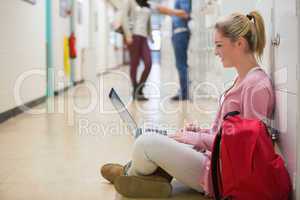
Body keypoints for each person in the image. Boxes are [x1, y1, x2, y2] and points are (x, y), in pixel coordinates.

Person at [100, 11, 275, 198]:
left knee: (144, 143)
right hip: (211, 156)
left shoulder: (256, 85)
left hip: (219, 173)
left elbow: (246, 150)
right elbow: (226, 133)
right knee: (148, 129)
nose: (215, 51)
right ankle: (150, 176)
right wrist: (199, 132)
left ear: (239, 43)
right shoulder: (242, 80)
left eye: (219, 45)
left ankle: (132, 173)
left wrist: (197, 139)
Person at [121, 0, 154, 101]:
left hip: (144, 37)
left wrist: (151, 36)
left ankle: (139, 88)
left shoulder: (148, 5)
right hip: (133, 36)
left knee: (148, 63)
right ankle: (136, 89)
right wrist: (127, 34)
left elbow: (148, 22)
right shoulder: (130, 2)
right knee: (134, 64)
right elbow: (124, 17)